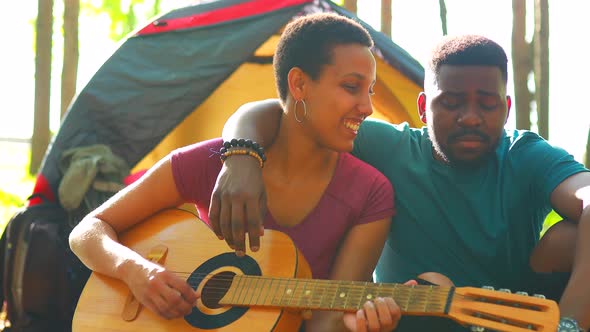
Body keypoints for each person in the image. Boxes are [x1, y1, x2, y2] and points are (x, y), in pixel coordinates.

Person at [211, 34, 590, 331]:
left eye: (487, 104)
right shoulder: (389, 147)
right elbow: (283, 113)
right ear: (424, 108)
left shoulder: (526, 154)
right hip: (411, 315)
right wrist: (241, 157)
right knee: (431, 284)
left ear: (506, 110)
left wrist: (568, 324)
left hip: (520, 312)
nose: (470, 117)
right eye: (453, 102)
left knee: (570, 239)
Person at [69, 13, 408, 332]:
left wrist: (356, 326)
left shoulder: (371, 193)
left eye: (370, 91)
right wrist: (137, 272)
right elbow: (89, 231)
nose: (366, 107)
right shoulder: (209, 162)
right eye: (351, 87)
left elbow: (327, 322)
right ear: (300, 84)